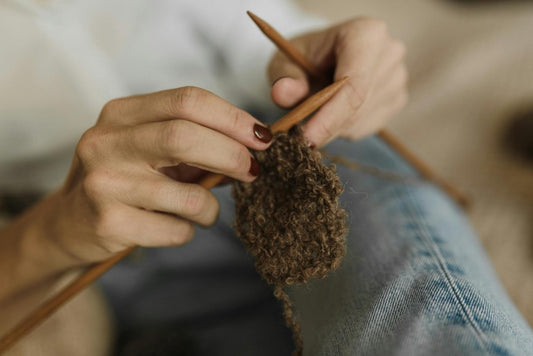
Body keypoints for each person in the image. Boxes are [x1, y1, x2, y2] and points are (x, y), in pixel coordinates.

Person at [1, 0, 532, 355]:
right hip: (62, 239)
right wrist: (51, 234)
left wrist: (323, 64)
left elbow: (269, 40)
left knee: (403, 285)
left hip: (270, 151)